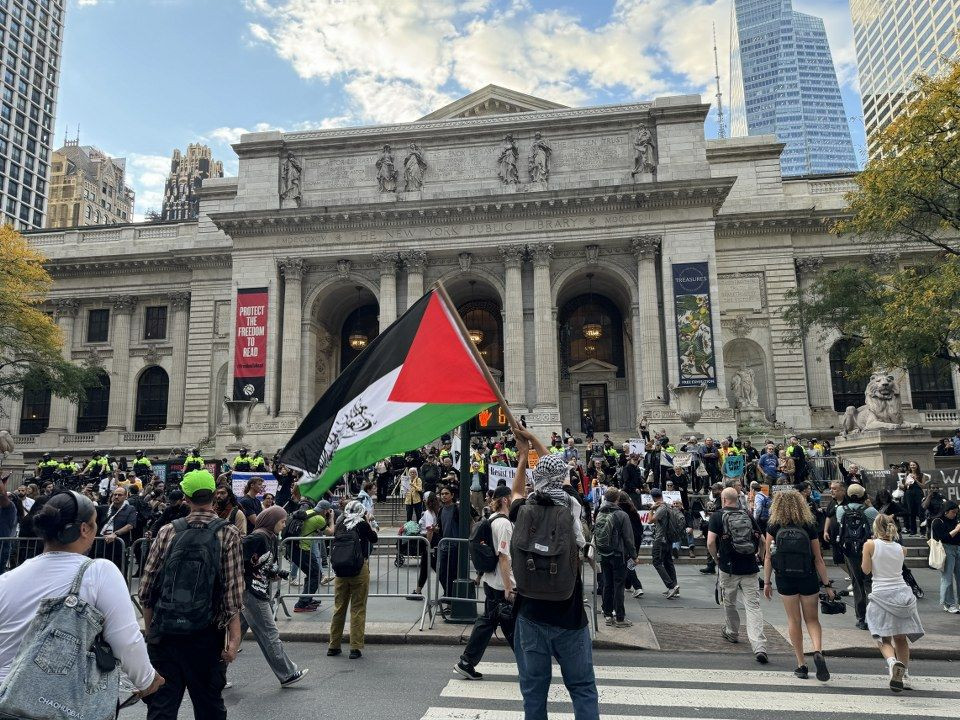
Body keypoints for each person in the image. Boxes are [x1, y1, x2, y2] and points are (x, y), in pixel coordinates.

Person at [0, 490, 164, 702]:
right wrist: (147, 680)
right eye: (95, 523)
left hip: (7, 698)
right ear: (85, 529)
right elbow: (126, 640)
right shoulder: (98, 571)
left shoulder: (7, 579)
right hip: (58, 702)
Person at [508, 424, 598, 720]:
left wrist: (523, 458)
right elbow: (560, 471)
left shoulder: (523, 510)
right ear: (560, 480)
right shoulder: (572, 504)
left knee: (533, 693)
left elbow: (516, 492)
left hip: (531, 615)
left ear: (537, 480)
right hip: (569, 615)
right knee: (582, 687)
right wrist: (533, 439)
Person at [139, 470, 244, 720]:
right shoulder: (228, 533)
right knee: (209, 706)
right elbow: (233, 593)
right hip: (206, 634)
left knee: (162, 707)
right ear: (214, 497)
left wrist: (152, 630)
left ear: (186, 497)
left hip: (166, 634)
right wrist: (234, 639)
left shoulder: (167, 531)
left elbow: (146, 589)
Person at [763, 489, 835, 682]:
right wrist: (827, 584)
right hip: (808, 576)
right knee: (812, 619)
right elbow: (818, 558)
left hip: (785, 578)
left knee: (793, 620)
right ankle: (818, 651)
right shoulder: (809, 524)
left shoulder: (774, 525)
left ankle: (801, 664)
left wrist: (767, 581)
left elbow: (768, 556)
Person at [240, 505, 308, 687]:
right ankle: (287, 673)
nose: (284, 525)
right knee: (270, 633)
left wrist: (275, 572)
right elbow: (237, 557)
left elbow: (262, 564)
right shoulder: (258, 537)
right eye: (282, 521)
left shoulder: (268, 537)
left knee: (234, 636)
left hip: (253, 591)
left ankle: (214, 676)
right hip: (252, 592)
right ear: (272, 521)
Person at [456, 485, 516, 680]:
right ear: (506, 500)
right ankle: (531, 666)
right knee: (512, 625)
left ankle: (467, 661)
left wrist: (481, 575)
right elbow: (503, 556)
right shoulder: (504, 524)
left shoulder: (491, 520)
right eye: (512, 498)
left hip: (492, 581)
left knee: (492, 623)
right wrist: (509, 586)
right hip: (501, 583)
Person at [862, 514, 924, 692]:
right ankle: (904, 676)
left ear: (875, 528)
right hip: (902, 594)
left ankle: (892, 663)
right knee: (901, 638)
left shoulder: (870, 545)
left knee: (881, 636)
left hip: (881, 595)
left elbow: (866, 570)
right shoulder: (901, 549)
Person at [708, 487, 768, 663]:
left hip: (728, 567)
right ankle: (759, 645)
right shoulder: (747, 514)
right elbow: (762, 540)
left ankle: (732, 632)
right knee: (753, 606)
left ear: (723, 498)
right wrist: (759, 556)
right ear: (737, 499)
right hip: (749, 567)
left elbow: (711, 541)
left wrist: (715, 558)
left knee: (729, 602)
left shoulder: (717, 516)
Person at [327, 500, 379, 659]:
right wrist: (369, 521)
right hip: (359, 568)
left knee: (339, 607)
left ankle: (333, 645)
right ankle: (355, 647)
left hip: (341, 571)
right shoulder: (362, 524)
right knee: (357, 607)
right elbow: (374, 538)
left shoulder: (341, 523)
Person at [836, 483, 879, 629]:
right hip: (868, 549)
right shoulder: (870, 511)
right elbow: (879, 526)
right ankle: (875, 616)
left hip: (850, 550)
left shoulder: (841, 510)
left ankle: (861, 618)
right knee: (870, 582)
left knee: (857, 583)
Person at [594, 487, 637, 628]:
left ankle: (607, 614)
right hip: (618, 554)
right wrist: (634, 555)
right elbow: (628, 538)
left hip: (604, 553)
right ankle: (620, 617)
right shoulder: (621, 515)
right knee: (619, 585)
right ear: (617, 499)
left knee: (607, 584)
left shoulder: (599, 511)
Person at [649, 487, 679, 597]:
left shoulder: (661, 508)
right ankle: (675, 586)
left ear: (653, 497)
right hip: (669, 538)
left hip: (660, 538)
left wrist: (651, 509)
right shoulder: (668, 505)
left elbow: (650, 520)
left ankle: (671, 586)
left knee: (656, 561)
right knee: (668, 562)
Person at [931, 501, 960, 613]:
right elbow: (943, 538)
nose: (954, 515)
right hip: (946, 549)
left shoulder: (955, 520)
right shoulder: (938, 522)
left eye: (956, 512)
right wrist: (956, 530)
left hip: (958, 548)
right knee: (947, 578)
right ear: (946, 511)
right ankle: (949, 604)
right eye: (953, 512)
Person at [900, 461, 927, 536]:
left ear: (917, 466)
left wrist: (916, 480)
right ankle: (913, 531)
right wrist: (906, 484)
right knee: (911, 512)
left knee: (921, 512)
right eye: (911, 465)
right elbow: (904, 486)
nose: (912, 466)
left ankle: (923, 531)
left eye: (914, 465)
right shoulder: (907, 474)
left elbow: (923, 486)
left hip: (918, 493)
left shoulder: (922, 475)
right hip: (909, 494)